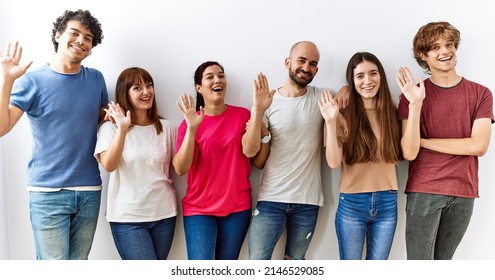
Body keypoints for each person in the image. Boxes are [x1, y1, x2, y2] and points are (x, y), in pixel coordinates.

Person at [0, 10, 108, 259]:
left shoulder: (96, 79)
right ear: (58, 35)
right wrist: (6, 80)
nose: (81, 40)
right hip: (47, 193)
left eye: (88, 38)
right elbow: (2, 127)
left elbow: (98, 119)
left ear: (91, 48)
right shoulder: (33, 81)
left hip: (90, 190)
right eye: (75, 33)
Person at [397, 21, 494, 260]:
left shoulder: (481, 93)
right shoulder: (412, 95)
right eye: (435, 47)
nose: (445, 51)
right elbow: (408, 151)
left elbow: (478, 146)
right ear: (423, 55)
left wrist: (425, 142)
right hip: (424, 190)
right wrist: (416, 104)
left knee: (444, 266)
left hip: (464, 191)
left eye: (449, 44)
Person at [244, 41, 345, 260]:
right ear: (287, 62)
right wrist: (258, 110)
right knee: (256, 263)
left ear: (317, 70)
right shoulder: (267, 102)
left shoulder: (323, 97)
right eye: (301, 61)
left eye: (313, 64)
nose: (306, 68)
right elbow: (251, 153)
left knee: (295, 264)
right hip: (271, 198)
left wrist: (346, 90)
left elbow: (343, 113)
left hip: (307, 202)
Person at [319, 52, 401, 260]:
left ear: (381, 76)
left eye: (373, 73)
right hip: (352, 202)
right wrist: (330, 121)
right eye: (360, 76)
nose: (367, 81)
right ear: (352, 80)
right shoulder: (340, 113)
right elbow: (334, 162)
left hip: (387, 201)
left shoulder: (392, 112)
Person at [173, 61, 257, 260]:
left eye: (221, 75)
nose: (217, 80)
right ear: (199, 87)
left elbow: (252, 152)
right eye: (210, 77)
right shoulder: (189, 123)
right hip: (199, 209)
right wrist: (192, 128)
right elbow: (180, 168)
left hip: (237, 208)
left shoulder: (243, 115)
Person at [94, 67, 177, 260]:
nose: (146, 92)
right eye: (137, 88)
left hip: (164, 214)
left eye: (149, 86)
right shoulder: (110, 128)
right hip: (127, 218)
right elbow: (109, 165)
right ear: (125, 93)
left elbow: (180, 166)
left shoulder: (167, 127)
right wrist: (122, 129)